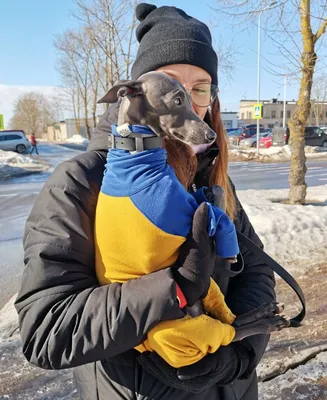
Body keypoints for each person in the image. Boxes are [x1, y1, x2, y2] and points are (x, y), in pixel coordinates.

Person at [15, 3, 276, 400]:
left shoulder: (210, 176)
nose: (187, 100)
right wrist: (174, 290)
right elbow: (47, 330)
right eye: (171, 85)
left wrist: (236, 356)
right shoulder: (82, 181)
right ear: (139, 92)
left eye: (201, 88)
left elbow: (255, 270)